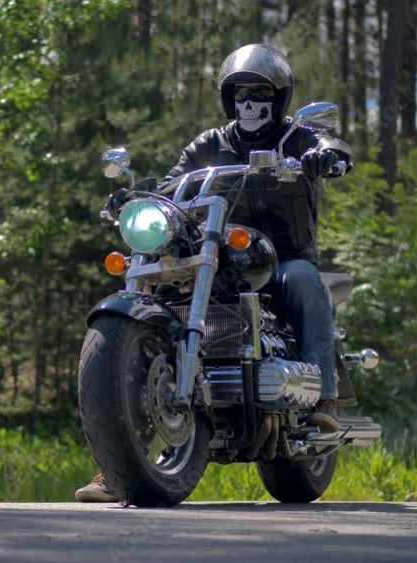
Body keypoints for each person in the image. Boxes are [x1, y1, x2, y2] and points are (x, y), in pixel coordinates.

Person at [75, 44, 353, 503]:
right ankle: (119, 464)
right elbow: (172, 182)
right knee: (161, 296)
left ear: (279, 97)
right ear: (228, 98)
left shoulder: (296, 138)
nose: (250, 103)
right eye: (241, 93)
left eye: (260, 93)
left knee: (305, 280)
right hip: (217, 255)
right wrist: (135, 196)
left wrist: (329, 155)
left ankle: (322, 401)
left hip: (279, 258)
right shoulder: (210, 145)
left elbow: (331, 143)